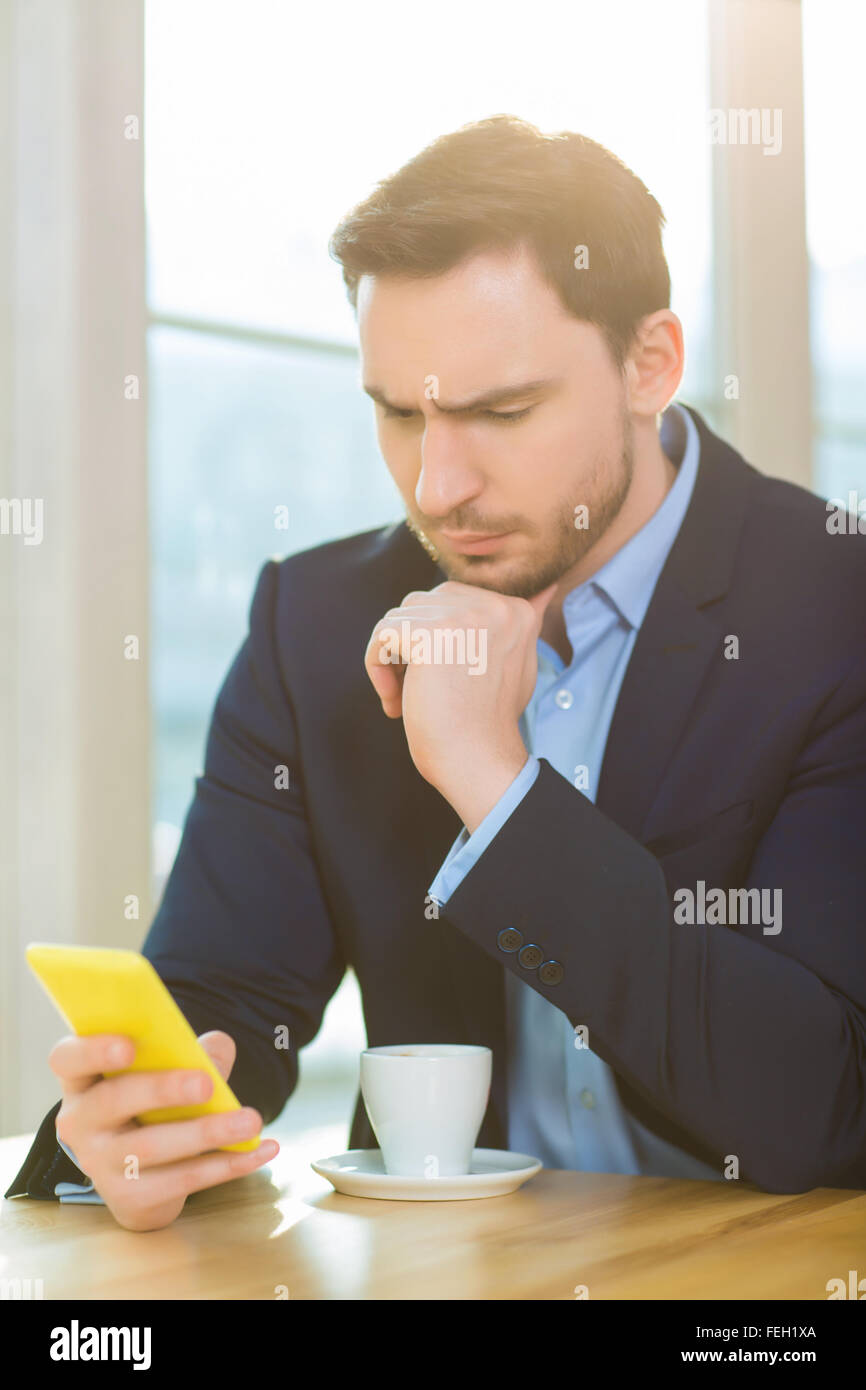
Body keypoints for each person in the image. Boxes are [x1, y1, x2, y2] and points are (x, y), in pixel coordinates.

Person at [7, 115, 866, 1231]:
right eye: (397, 412)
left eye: (500, 412)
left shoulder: (831, 606)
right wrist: (131, 1128)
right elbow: (226, 1003)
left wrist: (494, 789)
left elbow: (820, 1105)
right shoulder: (314, 621)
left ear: (649, 363)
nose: (439, 484)